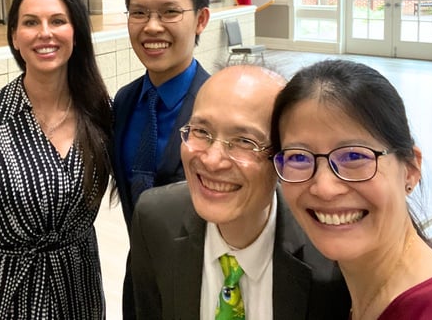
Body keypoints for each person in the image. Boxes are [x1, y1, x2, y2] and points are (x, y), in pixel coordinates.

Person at [270, 59, 432, 320]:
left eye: (353, 157)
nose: (324, 188)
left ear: (410, 170)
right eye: (299, 158)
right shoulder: (351, 289)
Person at [0, 0, 113, 319]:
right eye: (31, 22)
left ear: (76, 33)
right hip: (7, 300)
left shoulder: (99, 113)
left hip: (81, 293)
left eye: (58, 21)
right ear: (15, 39)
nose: (45, 33)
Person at [130, 64, 350, 319]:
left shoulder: (330, 259)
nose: (212, 160)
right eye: (201, 131)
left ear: (284, 159)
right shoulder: (154, 220)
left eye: (245, 142)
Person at [113, 0, 212, 319]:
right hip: (138, 283)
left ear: (200, 19)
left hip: (205, 284)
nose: (152, 27)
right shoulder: (124, 102)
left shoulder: (221, 108)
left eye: (170, 13)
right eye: (139, 13)